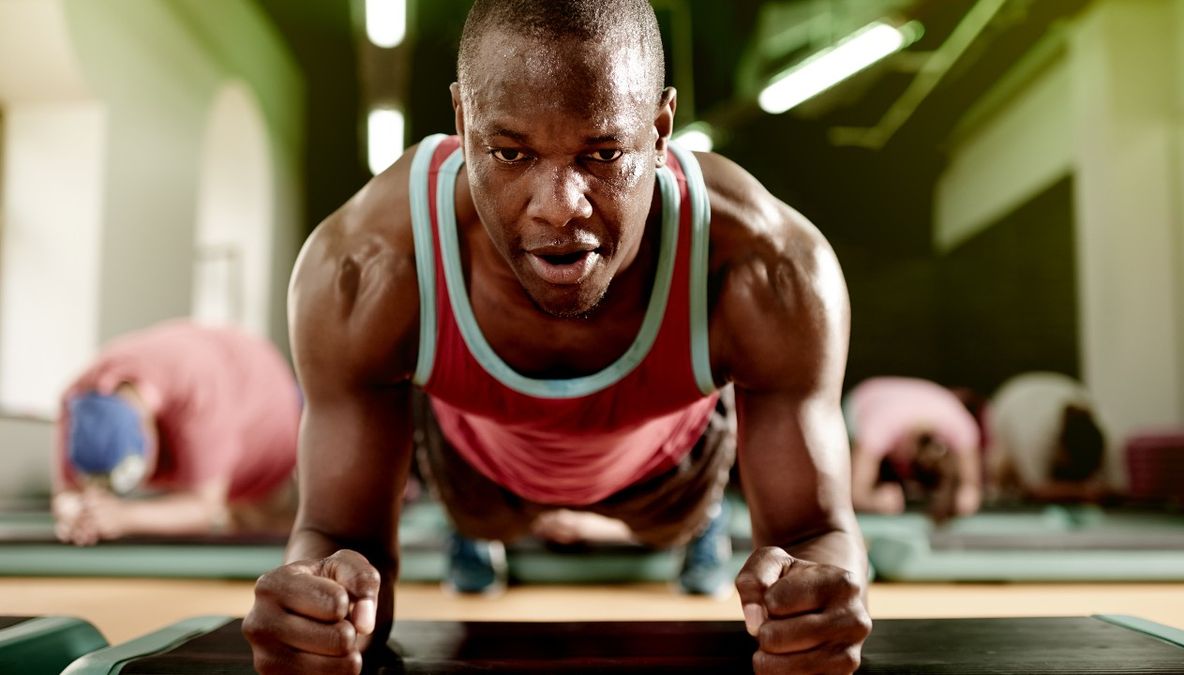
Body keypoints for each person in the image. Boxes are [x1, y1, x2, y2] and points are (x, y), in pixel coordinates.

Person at [242, 1, 871, 673]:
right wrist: (329, 606)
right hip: (475, 473)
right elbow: (339, 536)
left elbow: (817, 531)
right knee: (468, 517)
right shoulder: (365, 267)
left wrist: (816, 603)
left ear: (660, 131)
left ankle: (703, 528)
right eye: (510, 152)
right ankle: (479, 537)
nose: (559, 205)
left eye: (603, 153)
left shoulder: (766, 266)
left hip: (667, 477)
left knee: (685, 522)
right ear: (461, 123)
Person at [52, 320, 301, 545]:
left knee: (264, 526)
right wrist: (76, 511)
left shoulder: (197, 391)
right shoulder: (76, 399)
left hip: (266, 409)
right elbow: (67, 492)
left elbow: (204, 508)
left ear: (146, 431)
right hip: (208, 391)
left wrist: (123, 517)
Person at [844, 376, 983, 522]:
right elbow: (855, 492)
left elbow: (971, 486)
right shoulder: (880, 426)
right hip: (862, 399)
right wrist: (874, 501)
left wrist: (966, 496)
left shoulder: (961, 426)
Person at [986, 372, 1108, 502]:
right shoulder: (1033, 436)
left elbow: (1111, 485)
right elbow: (1035, 488)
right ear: (1061, 451)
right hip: (1011, 400)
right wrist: (1084, 492)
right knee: (1005, 474)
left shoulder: (1103, 428)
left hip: (1053, 392)